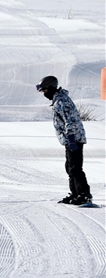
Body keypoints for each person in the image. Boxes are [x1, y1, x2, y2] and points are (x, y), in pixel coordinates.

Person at [36, 76, 92, 205]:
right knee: (70, 167)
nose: (44, 94)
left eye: (45, 91)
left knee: (75, 168)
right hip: (69, 139)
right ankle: (75, 193)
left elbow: (70, 120)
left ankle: (84, 195)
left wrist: (71, 138)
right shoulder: (58, 100)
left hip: (74, 138)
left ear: (51, 88)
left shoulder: (62, 101)